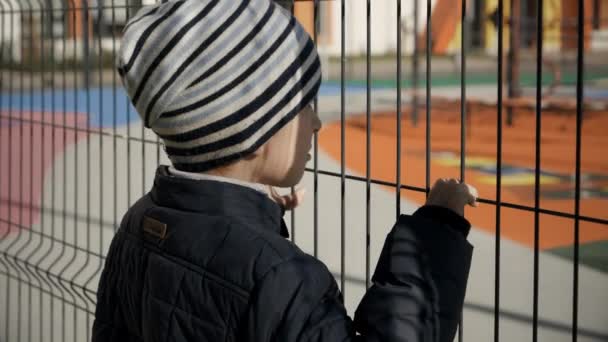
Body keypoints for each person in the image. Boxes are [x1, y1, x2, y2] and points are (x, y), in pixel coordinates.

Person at [93, 1, 477, 341]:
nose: (317, 124)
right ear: (254, 128)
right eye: (306, 105)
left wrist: (254, 214)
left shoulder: (137, 224)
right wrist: (437, 231)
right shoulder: (282, 277)